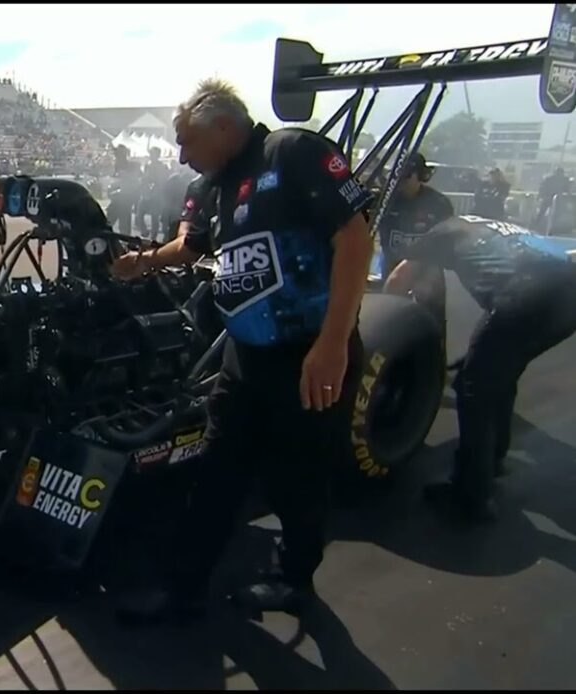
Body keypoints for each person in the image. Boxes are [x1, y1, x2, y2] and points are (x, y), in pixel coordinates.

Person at [110, 77, 375, 621]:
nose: (182, 156)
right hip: (246, 357)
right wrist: (144, 263)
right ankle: (182, 590)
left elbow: (354, 237)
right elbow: (193, 246)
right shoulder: (217, 185)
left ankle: (295, 578)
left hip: (307, 355)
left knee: (297, 480)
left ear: (224, 128)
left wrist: (331, 344)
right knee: (216, 471)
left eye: (186, 141)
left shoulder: (294, 151)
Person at [385, 215, 576, 523]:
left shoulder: (441, 232)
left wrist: (383, 331)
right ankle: (494, 457)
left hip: (524, 295)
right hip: (569, 296)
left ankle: (470, 496)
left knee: (473, 388)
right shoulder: (495, 226)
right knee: (500, 369)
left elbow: (399, 280)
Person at [377, 152, 456, 357]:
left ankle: (435, 362)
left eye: (406, 177)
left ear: (420, 175)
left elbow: (448, 240)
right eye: (396, 177)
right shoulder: (384, 199)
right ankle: (388, 359)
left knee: (433, 315)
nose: (400, 183)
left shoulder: (438, 203)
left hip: (428, 265)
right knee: (388, 314)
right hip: (392, 262)